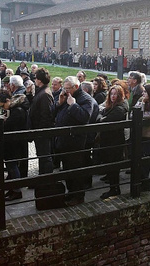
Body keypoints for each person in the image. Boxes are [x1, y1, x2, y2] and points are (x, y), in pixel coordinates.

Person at [52, 76, 99, 206]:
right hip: (64, 140)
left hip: (76, 142)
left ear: (76, 87)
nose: (65, 91)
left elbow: (84, 118)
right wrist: (59, 103)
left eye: (68, 88)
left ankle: (78, 195)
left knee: (76, 170)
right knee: (67, 169)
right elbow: (53, 113)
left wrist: (73, 105)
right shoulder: (65, 96)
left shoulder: (86, 99)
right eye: (64, 88)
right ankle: (71, 191)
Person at [0, 76, 29, 201]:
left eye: (3, 105)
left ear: (8, 101)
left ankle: (16, 190)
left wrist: (5, 121)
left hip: (14, 144)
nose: (3, 108)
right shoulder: (14, 109)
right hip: (12, 143)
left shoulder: (18, 111)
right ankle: (12, 188)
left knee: (13, 166)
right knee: (11, 166)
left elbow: (11, 125)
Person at [97, 85, 129, 199]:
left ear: (120, 95)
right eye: (111, 94)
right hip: (109, 140)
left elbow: (105, 119)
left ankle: (114, 189)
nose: (113, 96)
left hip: (114, 140)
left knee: (113, 165)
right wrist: (102, 116)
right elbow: (101, 114)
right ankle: (113, 188)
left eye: (115, 94)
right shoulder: (112, 106)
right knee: (110, 164)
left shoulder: (119, 108)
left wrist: (102, 117)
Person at [134, 84, 150, 192]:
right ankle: (141, 181)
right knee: (136, 157)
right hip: (138, 134)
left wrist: (143, 105)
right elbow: (133, 113)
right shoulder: (141, 99)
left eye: (145, 92)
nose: (143, 94)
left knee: (145, 159)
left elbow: (143, 116)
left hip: (148, 135)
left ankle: (146, 183)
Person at [28, 67, 54, 175]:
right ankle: (41, 176)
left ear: (39, 80)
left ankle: (46, 179)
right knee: (41, 155)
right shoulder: (41, 92)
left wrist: (40, 131)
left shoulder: (45, 94)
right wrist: (29, 94)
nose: (34, 80)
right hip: (38, 129)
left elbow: (46, 115)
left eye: (35, 78)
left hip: (42, 131)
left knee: (45, 156)